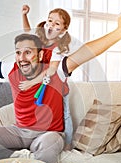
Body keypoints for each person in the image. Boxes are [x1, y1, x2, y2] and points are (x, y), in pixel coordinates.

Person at [0, 12, 121, 163]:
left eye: (28, 52)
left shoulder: (56, 71)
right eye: (18, 53)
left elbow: (87, 51)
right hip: (18, 131)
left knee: (50, 145)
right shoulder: (11, 70)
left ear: (41, 53)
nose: (22, 58)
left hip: (47, 134)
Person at [21, 5, 74, 151]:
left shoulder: (59, 48)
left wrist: (31, 82)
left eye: (57, 24)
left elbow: (51, 70)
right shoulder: (39, 39)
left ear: (63, 30)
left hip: (57, 88)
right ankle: (39, 138)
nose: (51, 25)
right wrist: (24, 15)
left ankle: (68, 146)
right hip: (43, 86)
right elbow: (27, 32)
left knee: (66, 115)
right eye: (49, 21)